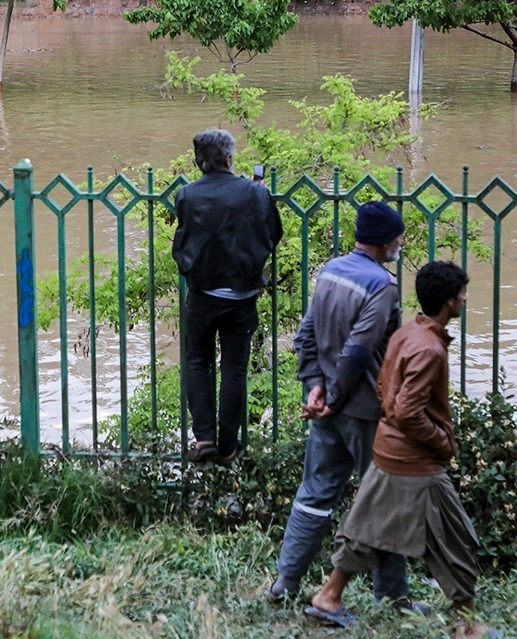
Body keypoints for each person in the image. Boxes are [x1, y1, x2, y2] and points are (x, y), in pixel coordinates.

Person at [305, 261, 494, 639]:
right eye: (461, 293)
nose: (465, 298)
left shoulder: (406, 334)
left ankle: (329, 596)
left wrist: (398, 422)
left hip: (388, 450)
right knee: (455, 539)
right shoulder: (429, 349)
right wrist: (441, 441)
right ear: (448, 301)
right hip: (415, 462)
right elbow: (408, 411)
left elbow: (384, 391)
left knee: (366, 529)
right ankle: (468, 626)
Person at [265, 200, 421, 610]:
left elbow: (306, 336)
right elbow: (357, 352)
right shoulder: (381, 285)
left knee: (314, 495)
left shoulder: (331, 270)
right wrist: (332, 399)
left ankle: (285, 583)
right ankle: (393, 597)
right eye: (399, 235)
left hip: (328, 408)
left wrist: (314, 387)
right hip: (365, 409)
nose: (402, 241)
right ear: (386, 241)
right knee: (384, 500)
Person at [172, 129, 283, 465]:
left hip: (202, 293)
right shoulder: (253, 193)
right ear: (228, 158)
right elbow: (274, 233)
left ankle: (204, 436)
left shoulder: (187, 195)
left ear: (199, 161)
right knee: (234, 370)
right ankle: (229, 445)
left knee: (197, 362)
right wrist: (259, 196)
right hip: (242, 295)